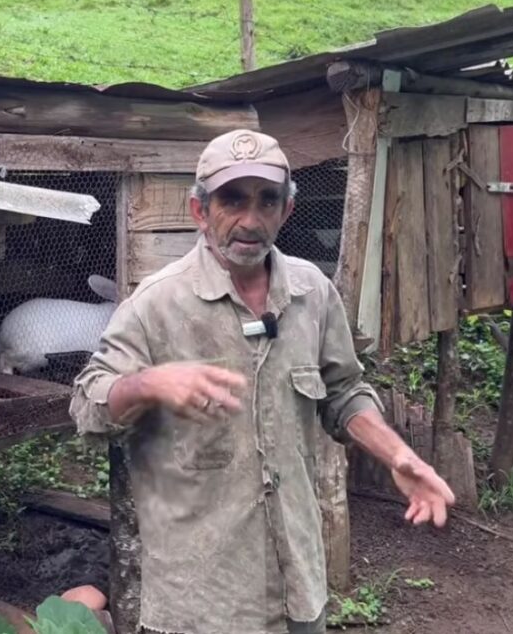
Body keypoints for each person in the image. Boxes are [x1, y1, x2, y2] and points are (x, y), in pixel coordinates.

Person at [70, 129, 455, 634]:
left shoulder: (313, 294)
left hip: (298, 583)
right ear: (200, 210)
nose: (251, 220)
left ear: (286, 210)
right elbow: (88, 406)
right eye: (232, 200)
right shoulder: (155, 305)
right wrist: (147, 385)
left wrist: (398, 455)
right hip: (200, 600)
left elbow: (343, 392)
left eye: (267, 200)